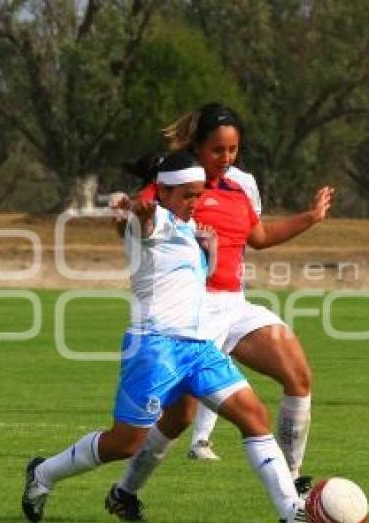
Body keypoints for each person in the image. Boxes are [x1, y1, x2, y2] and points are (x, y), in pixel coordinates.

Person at [21, 151, 307, 523]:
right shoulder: (152, 221)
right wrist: (139, 212)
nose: (196, 202)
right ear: (164, 192)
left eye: (199, 193)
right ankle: (43, 473)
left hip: (198, 347)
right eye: (188, 195)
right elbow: (143, 222)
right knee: (125, 442)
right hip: (155, 348)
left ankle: (291, 512)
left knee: (254, 416)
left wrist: (209, 247)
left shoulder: (189, 228)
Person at [132, 103, 332, 484]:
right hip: (190, 313)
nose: (225, 158)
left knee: (298, 375)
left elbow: (259, 237)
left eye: (233, 150)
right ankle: (126, 490)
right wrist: (136, 217)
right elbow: (138, 219)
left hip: (235, 305)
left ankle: (292, 477)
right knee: (180, 417)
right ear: (198, 146)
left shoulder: (238, 188)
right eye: (217, 150)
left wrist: (310, 218)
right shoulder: (175, 182)